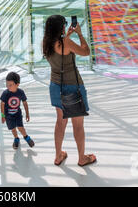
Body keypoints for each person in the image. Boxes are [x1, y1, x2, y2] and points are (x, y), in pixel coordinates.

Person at [42, 15, 96, 167]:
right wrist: (79, 33)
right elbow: (86, 51)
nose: (66, 27)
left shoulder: (46, 42)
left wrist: (68, 36)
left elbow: (60, 50)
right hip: (72, 87)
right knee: (77, 125)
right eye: (64, 25)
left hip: (55, 86)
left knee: (60, 122)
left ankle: (58, 155)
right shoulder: (65, 42)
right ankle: (82, 158)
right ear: (61, 27)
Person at [0, 72, 35, 149]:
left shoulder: (20, 92)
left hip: (17, 114)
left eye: (10, 85)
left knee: (20, 127)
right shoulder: (5, 93)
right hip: (8, 116)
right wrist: (3, 116)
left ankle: (26, 137)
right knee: (13, 129)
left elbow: (25, 103)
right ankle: (16, 138)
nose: (8, 87)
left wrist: (27, 114)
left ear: (17, 84)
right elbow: (2, 104)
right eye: (7, 84)